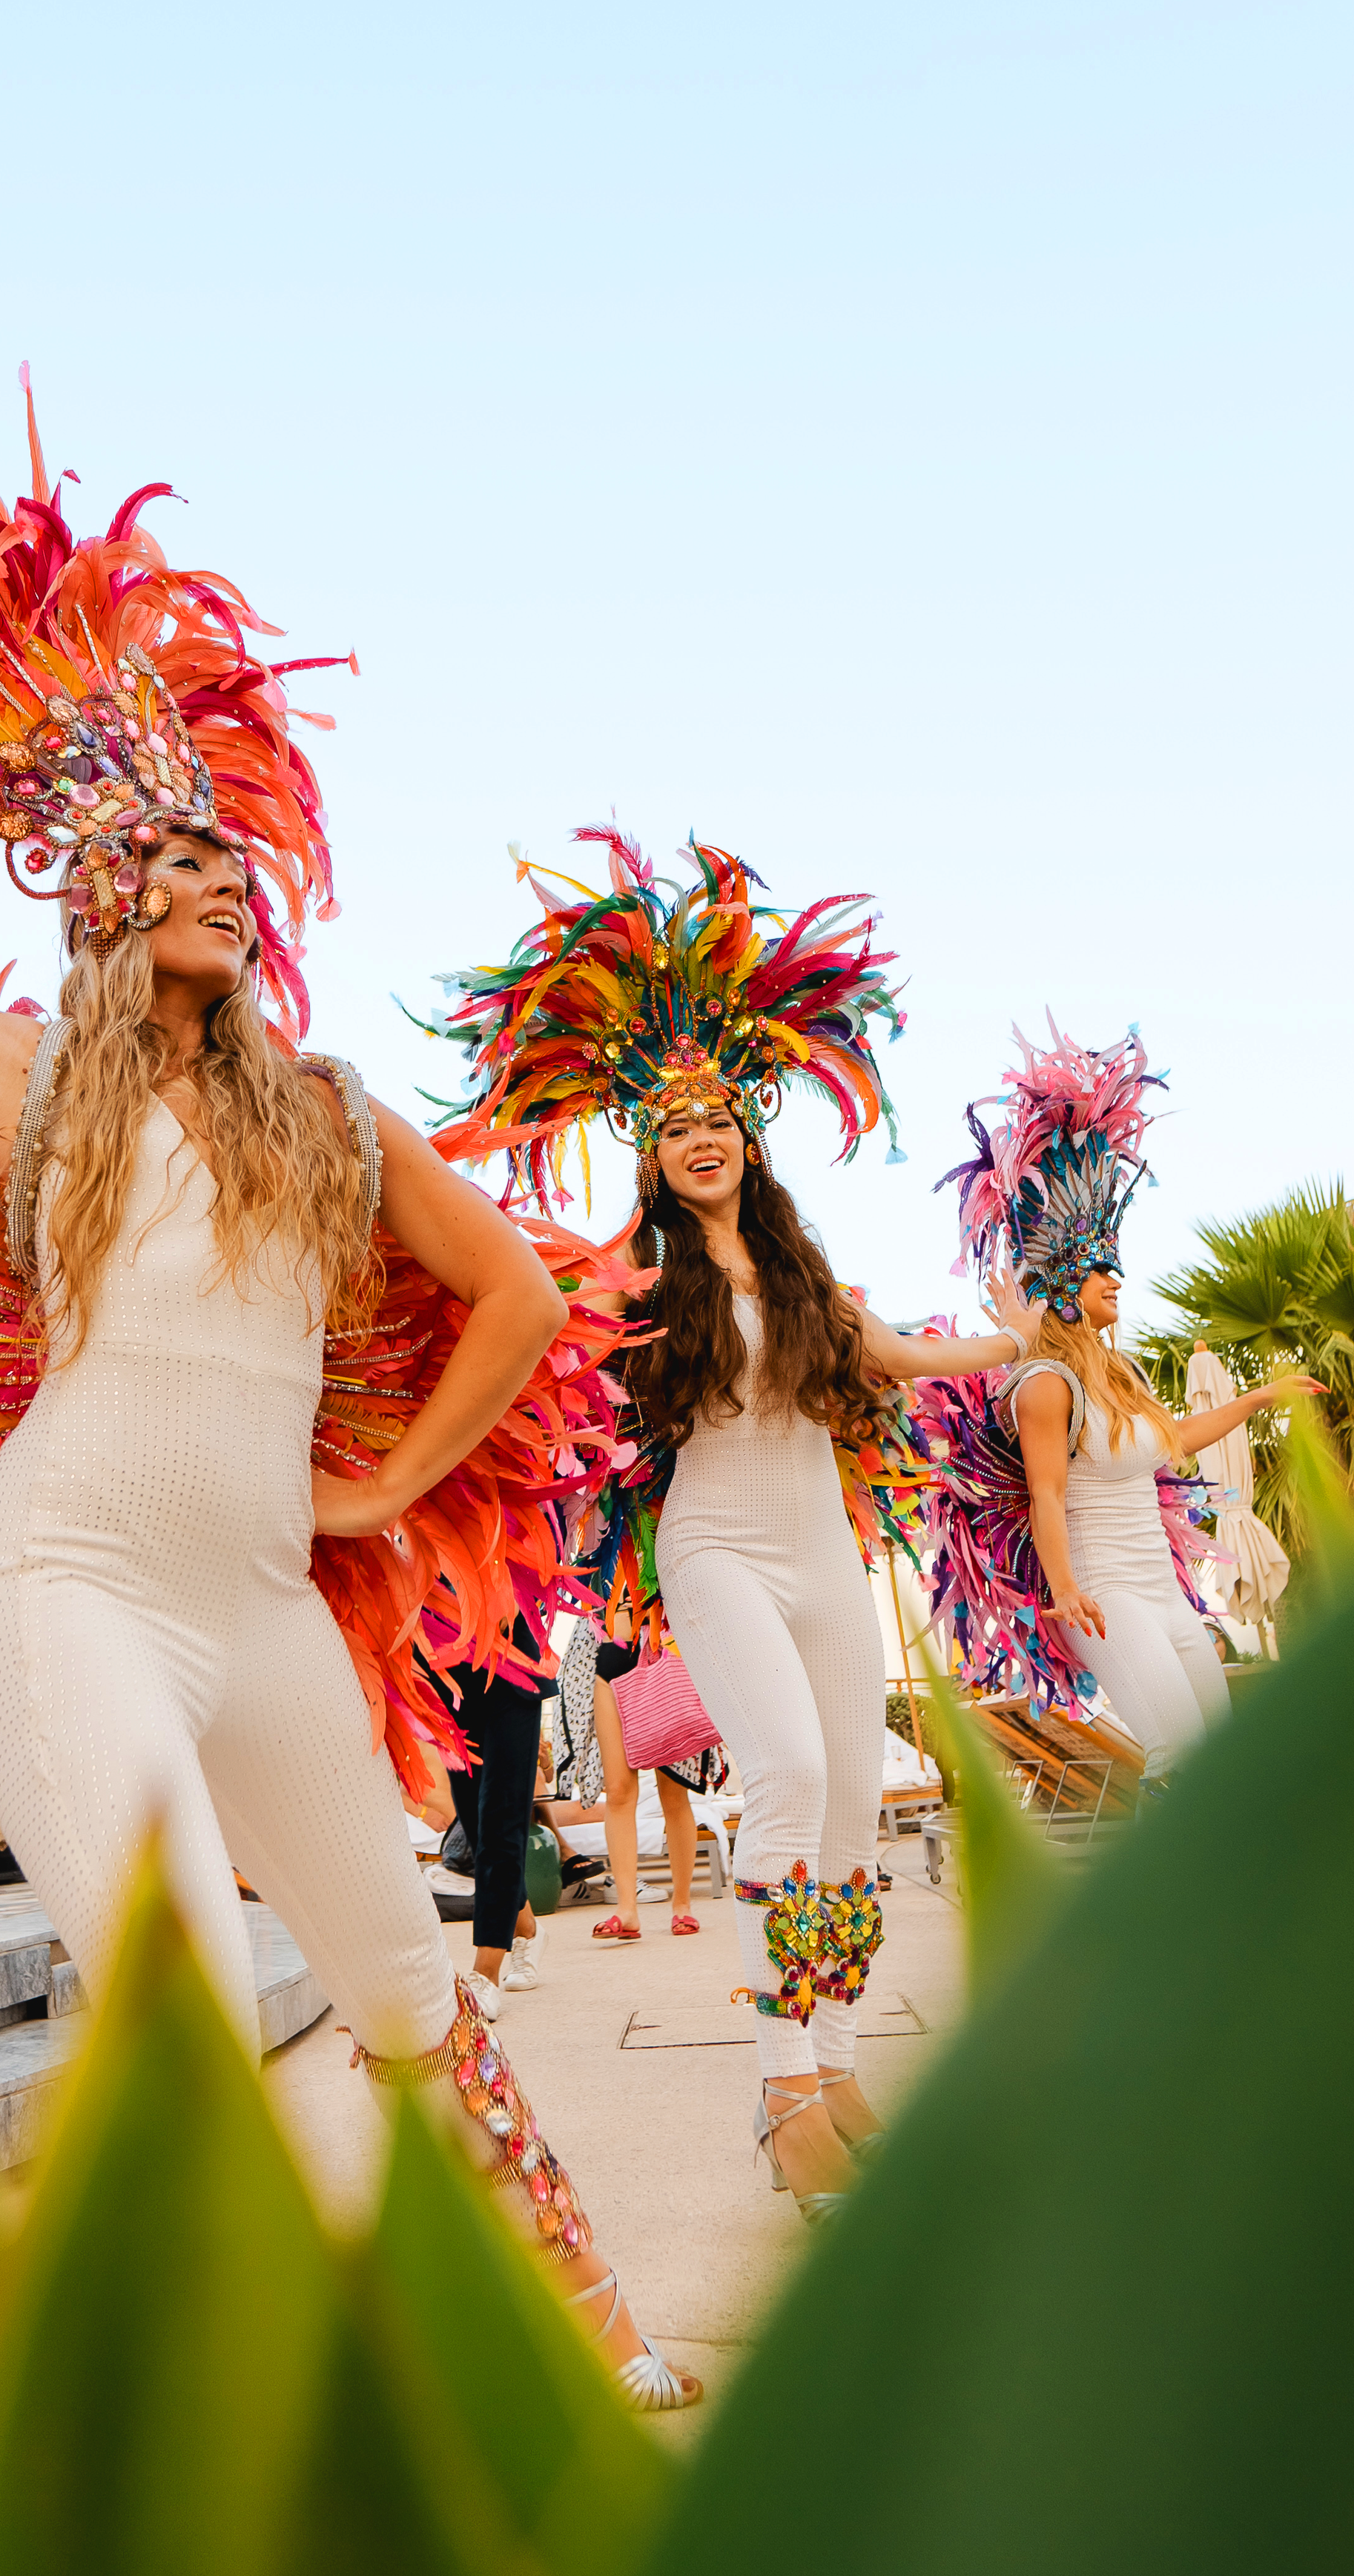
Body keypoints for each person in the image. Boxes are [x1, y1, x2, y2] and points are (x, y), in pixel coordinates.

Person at [0, 405, 697, 2408]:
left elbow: (511, 1294)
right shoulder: (42, 1078)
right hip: (71, 1582)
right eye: (190, 855)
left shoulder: (326, 1117)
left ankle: (585, 2335)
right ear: (112, 892)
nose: (231, 879)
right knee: (185, 1992)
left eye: (241, 857)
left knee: (407, 1980)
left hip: (259, 1608)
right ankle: (174, 2441)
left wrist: (384, 1475)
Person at [432, 831, 1042, 2220]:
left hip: (823, 1551)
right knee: (779, 1778)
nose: (699, 1136)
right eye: (671, 1125)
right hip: (715, 1550)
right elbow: (543, 1347)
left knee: (846, 1812)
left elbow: (880, 1350)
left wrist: (1000, 1348)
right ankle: (779, 2095)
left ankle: (830, 2066)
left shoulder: (794, 1261)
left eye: (719, 1117)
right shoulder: (635, 1276)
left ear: (749, 1134)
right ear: (650, 1154)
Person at [930, 1026, 1322, 1771]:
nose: (1116, 1279)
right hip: (1105, 1591)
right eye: (1098, 1266)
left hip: (1161, 1588)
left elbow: (1173, 1441)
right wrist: (1067, 1590)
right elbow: (1046, 1494)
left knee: (1215, 1756)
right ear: (1060, 1285)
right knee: (1176, 1755)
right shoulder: (1047, 1384)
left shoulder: (1124, 1374)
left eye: (1115, 1264)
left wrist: (1263, 1396)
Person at [552, 1616, 718, 1939]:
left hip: (664, 1645)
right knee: (618, 1791)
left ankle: (682, 1905)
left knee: (673, 1793)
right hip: (609, 1649)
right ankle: (627, 1910)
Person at [444, 1630, 549, 2014]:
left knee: (499, 1818)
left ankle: (484, 1974)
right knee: (473, 1820)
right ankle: (526, 1928)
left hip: (509, 1660)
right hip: (446, 1674)